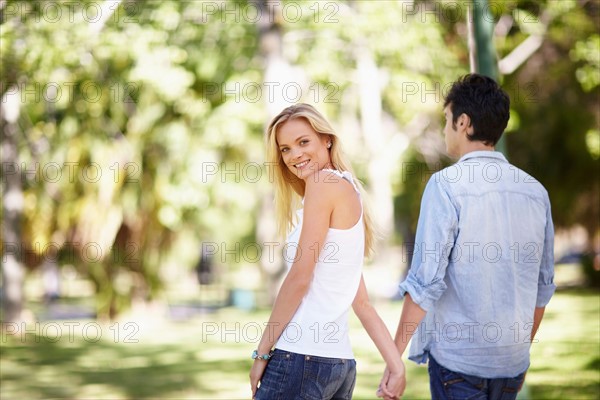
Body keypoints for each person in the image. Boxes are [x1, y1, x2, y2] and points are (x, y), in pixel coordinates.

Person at [378, 73, 556, 400]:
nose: (445, 129)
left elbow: (424, 283)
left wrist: (394, 359)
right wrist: (519, 354)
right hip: (512, 364)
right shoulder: (536, 192)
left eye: (446, 120)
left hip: (458, 365)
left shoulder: (446, 185)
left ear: (463, 122)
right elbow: (543, 287)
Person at [250, 103, 405, 400]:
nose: (295, 155)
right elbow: (362, 303)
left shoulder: (322, 185)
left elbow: (299, 279)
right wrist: (395, 366)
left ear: (327, 139)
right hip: (339, 365)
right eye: (285, 149)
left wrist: (261, 354)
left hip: (299, 359)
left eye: (303, 142)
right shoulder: (347, 190)